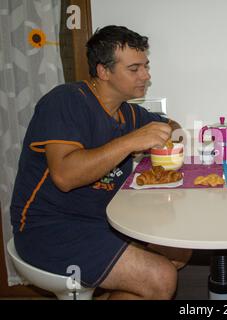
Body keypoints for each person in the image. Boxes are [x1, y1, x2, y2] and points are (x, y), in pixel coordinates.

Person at [10, 25, 191, 300]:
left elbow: (173, 127)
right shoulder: (65, 101)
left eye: (146, 66)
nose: (146, 75)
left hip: (101, 222)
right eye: (134, 69)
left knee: (178, 250)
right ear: (103, 71)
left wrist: (169, 137)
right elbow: (65, 176)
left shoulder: (129, 112)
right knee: (161, 277)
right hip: (47, 228)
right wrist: (132, 142)